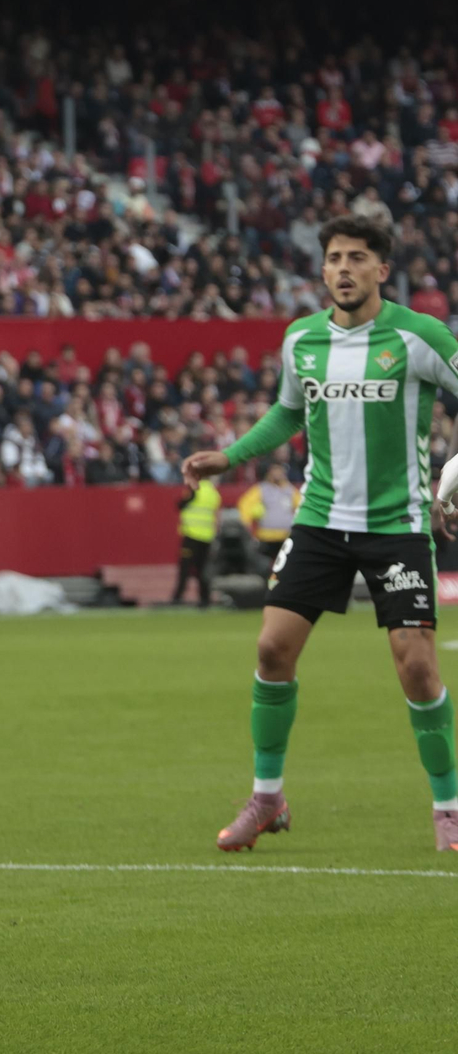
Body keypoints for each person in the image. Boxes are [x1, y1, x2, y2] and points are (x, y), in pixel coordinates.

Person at [184, 216, 458, 856]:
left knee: (416, 665)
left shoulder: (420, 337)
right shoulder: (301, 340)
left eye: (357, 258)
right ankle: (267, 799)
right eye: (334, 257)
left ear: (381, 271)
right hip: (321, 520)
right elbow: (287, 412)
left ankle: (448, 807)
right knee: (273, 649)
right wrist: (230, 456)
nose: (342, 268)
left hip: (398, 524)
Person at [238, 462, 301, 563]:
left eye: (279, 470)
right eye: (274, 470)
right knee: (266, 565)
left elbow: (301, 507)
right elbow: (245, 504)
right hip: (266, 536)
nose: (277, 473)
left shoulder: (290, 490)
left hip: (286, 536)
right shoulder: (262, 489)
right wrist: (246, 523)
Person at [172, 477, 220, 608]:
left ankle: (177, 598)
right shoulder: (214, 493)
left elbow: (180, 505)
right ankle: (205, 599)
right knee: (202, 570)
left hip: (191, 535)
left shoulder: (194, 490)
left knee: (185, 568)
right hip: (207, 537)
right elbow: (216, 515)